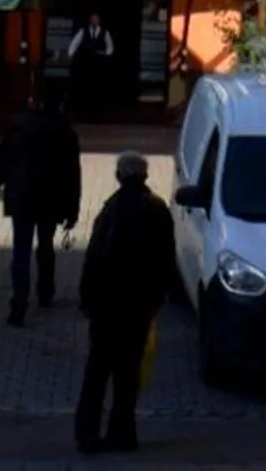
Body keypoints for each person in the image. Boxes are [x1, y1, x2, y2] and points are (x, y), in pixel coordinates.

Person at [77, 150, 176, 454]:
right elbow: (166, 258)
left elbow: (94, 257)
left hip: (107, 305)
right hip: (138, 306)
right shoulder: (157, 209)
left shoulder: (112, 209)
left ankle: (87, 434)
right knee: (128, 373)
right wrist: (157, 299)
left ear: (119, 176)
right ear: (145, 176)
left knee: (97, 372)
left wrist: (87, 298)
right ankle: (123, 432)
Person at [0, 87, 82, 326]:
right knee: (46, 245)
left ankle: (19, 302)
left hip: (21, 196)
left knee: (21, 249)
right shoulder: (64, 131)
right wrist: (72, 210)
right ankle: (45, 292)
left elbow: (0, 157)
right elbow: (72, 174)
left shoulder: (17, 127)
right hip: (50, 198)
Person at [67, 11, 116, 116]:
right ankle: (83, 105)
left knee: (96, 82)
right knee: (84, 82)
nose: (94, 21)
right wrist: (70, 54)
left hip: (97, 62)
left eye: (96, 19)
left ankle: (95, 106)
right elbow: (75, 42)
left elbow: (110, 45)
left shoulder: (104, 32)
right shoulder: (83, 30)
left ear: (99, 20)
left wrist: (106, 54)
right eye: (92, 19)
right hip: (85, 61)